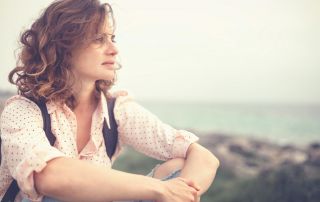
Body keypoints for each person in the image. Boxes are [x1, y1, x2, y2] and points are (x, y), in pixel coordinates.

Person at [0, 0, 220, 201]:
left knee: (179, 167)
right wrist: (158, 188)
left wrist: (178, 194)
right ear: (62, 47)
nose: (114, 50)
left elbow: (204, 158)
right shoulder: (23, 110)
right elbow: (49, 177)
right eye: (99, 39)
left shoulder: (116, 110)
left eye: (112, 38)